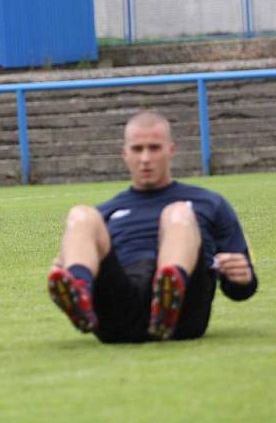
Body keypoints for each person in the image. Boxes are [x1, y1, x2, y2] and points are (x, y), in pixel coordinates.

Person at [47, 110, 257, 342]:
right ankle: (79, 292)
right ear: (125, 154)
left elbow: (241, 289)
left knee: (177, 212)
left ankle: (169, 292)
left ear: (171, 150)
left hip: (183, 317)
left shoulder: (209, 203)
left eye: (154, 148)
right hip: (119, 314)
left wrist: (242, 277)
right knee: (81, 215)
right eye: (137, 149)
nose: (145, 158)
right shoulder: (105, 213)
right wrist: (62, 269)